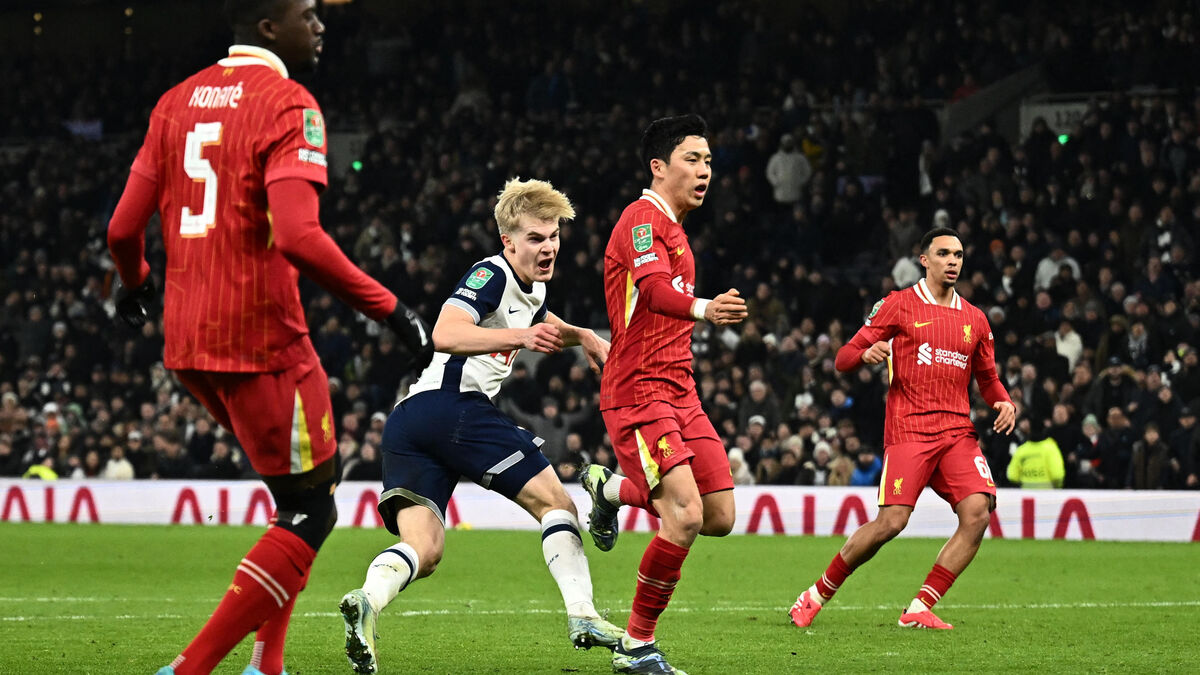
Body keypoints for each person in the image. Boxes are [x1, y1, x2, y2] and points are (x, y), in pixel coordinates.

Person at [106, 2, 433, 674]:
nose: (319, 25)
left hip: (187, 340)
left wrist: (136, 281)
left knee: (295, 504)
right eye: (307, 14)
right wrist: (394, 311)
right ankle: (190, 667)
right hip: (264, 340)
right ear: (267, 28)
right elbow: (298, 236)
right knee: (314, 513)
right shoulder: (289, 104)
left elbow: (120, 230)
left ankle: (268, 664)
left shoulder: (173, 103)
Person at [338, 178, 622, 675]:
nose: (549, 246)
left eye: (553, 235)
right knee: (557, 504)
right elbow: (445, 333)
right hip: (453, 406)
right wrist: (522, 337)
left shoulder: (528, 286)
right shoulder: (490, 273)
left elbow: (538, 313)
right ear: (508, 241)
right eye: (535, 238)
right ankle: (584, 616)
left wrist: (586, 338)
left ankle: (366, 600)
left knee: (424, 550)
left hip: (412, 421)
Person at [581, 114, 747, 674]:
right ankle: (636, 647)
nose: (706, 171)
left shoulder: (677, 229)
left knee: (719, 514)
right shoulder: (641, 220)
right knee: (683, 514)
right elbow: (651, 292)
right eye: (693, 160)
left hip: (681, 390)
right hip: (639, 391)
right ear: (660, 166)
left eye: (708, 161)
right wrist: (705, 308)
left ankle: (610, 491)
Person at [789, 226, 1015, 631]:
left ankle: (919, 606)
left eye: (958, 255)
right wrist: (865, 353)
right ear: (924, 260)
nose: (952, 262)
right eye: (944, 254)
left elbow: (988, 378)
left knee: (978, 512)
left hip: (957, 432)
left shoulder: (976, 320)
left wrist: (1003, 400)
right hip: (909, 429)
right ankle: (814, 595)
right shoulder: (898, 305)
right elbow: (843, 357)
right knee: (891, 523)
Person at [1006, 419, 1066, 488]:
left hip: (1025, 494)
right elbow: (1057, 475)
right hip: (1048, 494)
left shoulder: (1021, 450)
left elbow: (1012, 476)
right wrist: (1058, 487)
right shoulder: (1051, 448)